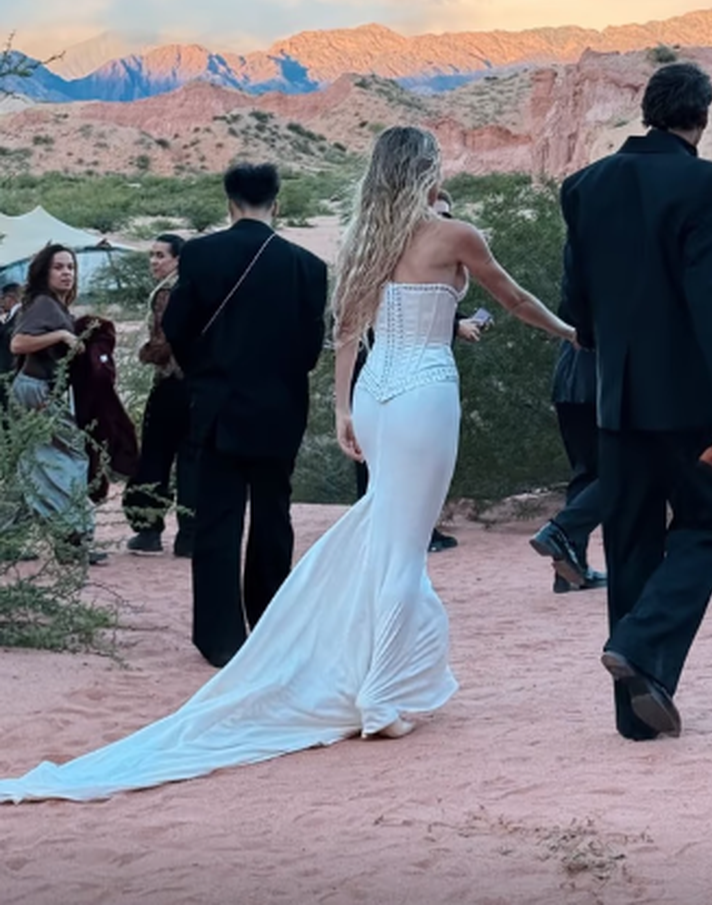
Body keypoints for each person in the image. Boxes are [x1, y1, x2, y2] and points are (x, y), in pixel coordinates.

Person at [0, 126, 575, 804]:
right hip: (415, 391)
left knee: (344, 527)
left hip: (363, 394)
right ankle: (382, 694)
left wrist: (342, 411)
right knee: (397, 540)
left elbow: (337, 333)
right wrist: (574, 333)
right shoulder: (440, 237)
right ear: (427, 169)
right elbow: (510, 297)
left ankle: (316, 661)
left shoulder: (362, 236)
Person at [560, 62, 712, 741]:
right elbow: (708, 296)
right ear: (700, 118)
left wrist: (605, 342)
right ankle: (644, 645)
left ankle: (636, 716)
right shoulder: (707, 181)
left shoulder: (584, 185)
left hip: (616, 401)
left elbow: (577, 302)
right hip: (692, 406)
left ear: (648, 111)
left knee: (632, 542)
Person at [162, 164, 328, 668]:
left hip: (216, 407)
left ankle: (220, 637)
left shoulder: (200, 253)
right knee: (273, 517)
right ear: (277, 204)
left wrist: (204, 374)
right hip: (279, 407)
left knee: (218, 520)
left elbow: (177, 325)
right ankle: (272, 624)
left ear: (229, 202)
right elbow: (309, 349)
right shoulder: (308, 266)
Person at [352, 187, 483, 554]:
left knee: (415, 466)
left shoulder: (388, 245)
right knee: (387, 466)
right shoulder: (389, 248)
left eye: (446, 216)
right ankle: (392, 532)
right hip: (394, 374)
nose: (440, 222)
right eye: (434, 214)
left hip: (415, 375)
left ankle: (410, 532)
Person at [9, 245, 105, 566]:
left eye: (71, 267)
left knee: (31, 464)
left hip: (34, 390)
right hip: (37, 391)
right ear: (43, 272)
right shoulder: (44, 305)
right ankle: (71, 538)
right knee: (68, 459)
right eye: (58, 267)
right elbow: (18, 343)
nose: (67, 273)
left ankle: (10, 536)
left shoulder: (50, 304)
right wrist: (62, 335)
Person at [123, 234, 196, 558]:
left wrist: (145, 353)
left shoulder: (167, 292)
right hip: (198, 387)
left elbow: (162, 342)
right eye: (151, 255)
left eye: (160, 255)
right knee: (192, 461)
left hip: (170, 384)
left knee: (154, 458)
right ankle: (190, 535)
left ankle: (148, 530)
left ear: (177, 259)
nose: (154, 261)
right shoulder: (199, 287)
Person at [530, 340, 607, 593]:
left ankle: (571, 568)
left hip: (568, 380)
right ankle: (562, 531)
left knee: (585, 472)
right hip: (601, 378)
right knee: (624, 472)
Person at [0, 282, 22, 407]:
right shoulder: (11, 316)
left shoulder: (19, 315)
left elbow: (8, 337)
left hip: (9, 371)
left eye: (3, 298)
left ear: (11, 297)